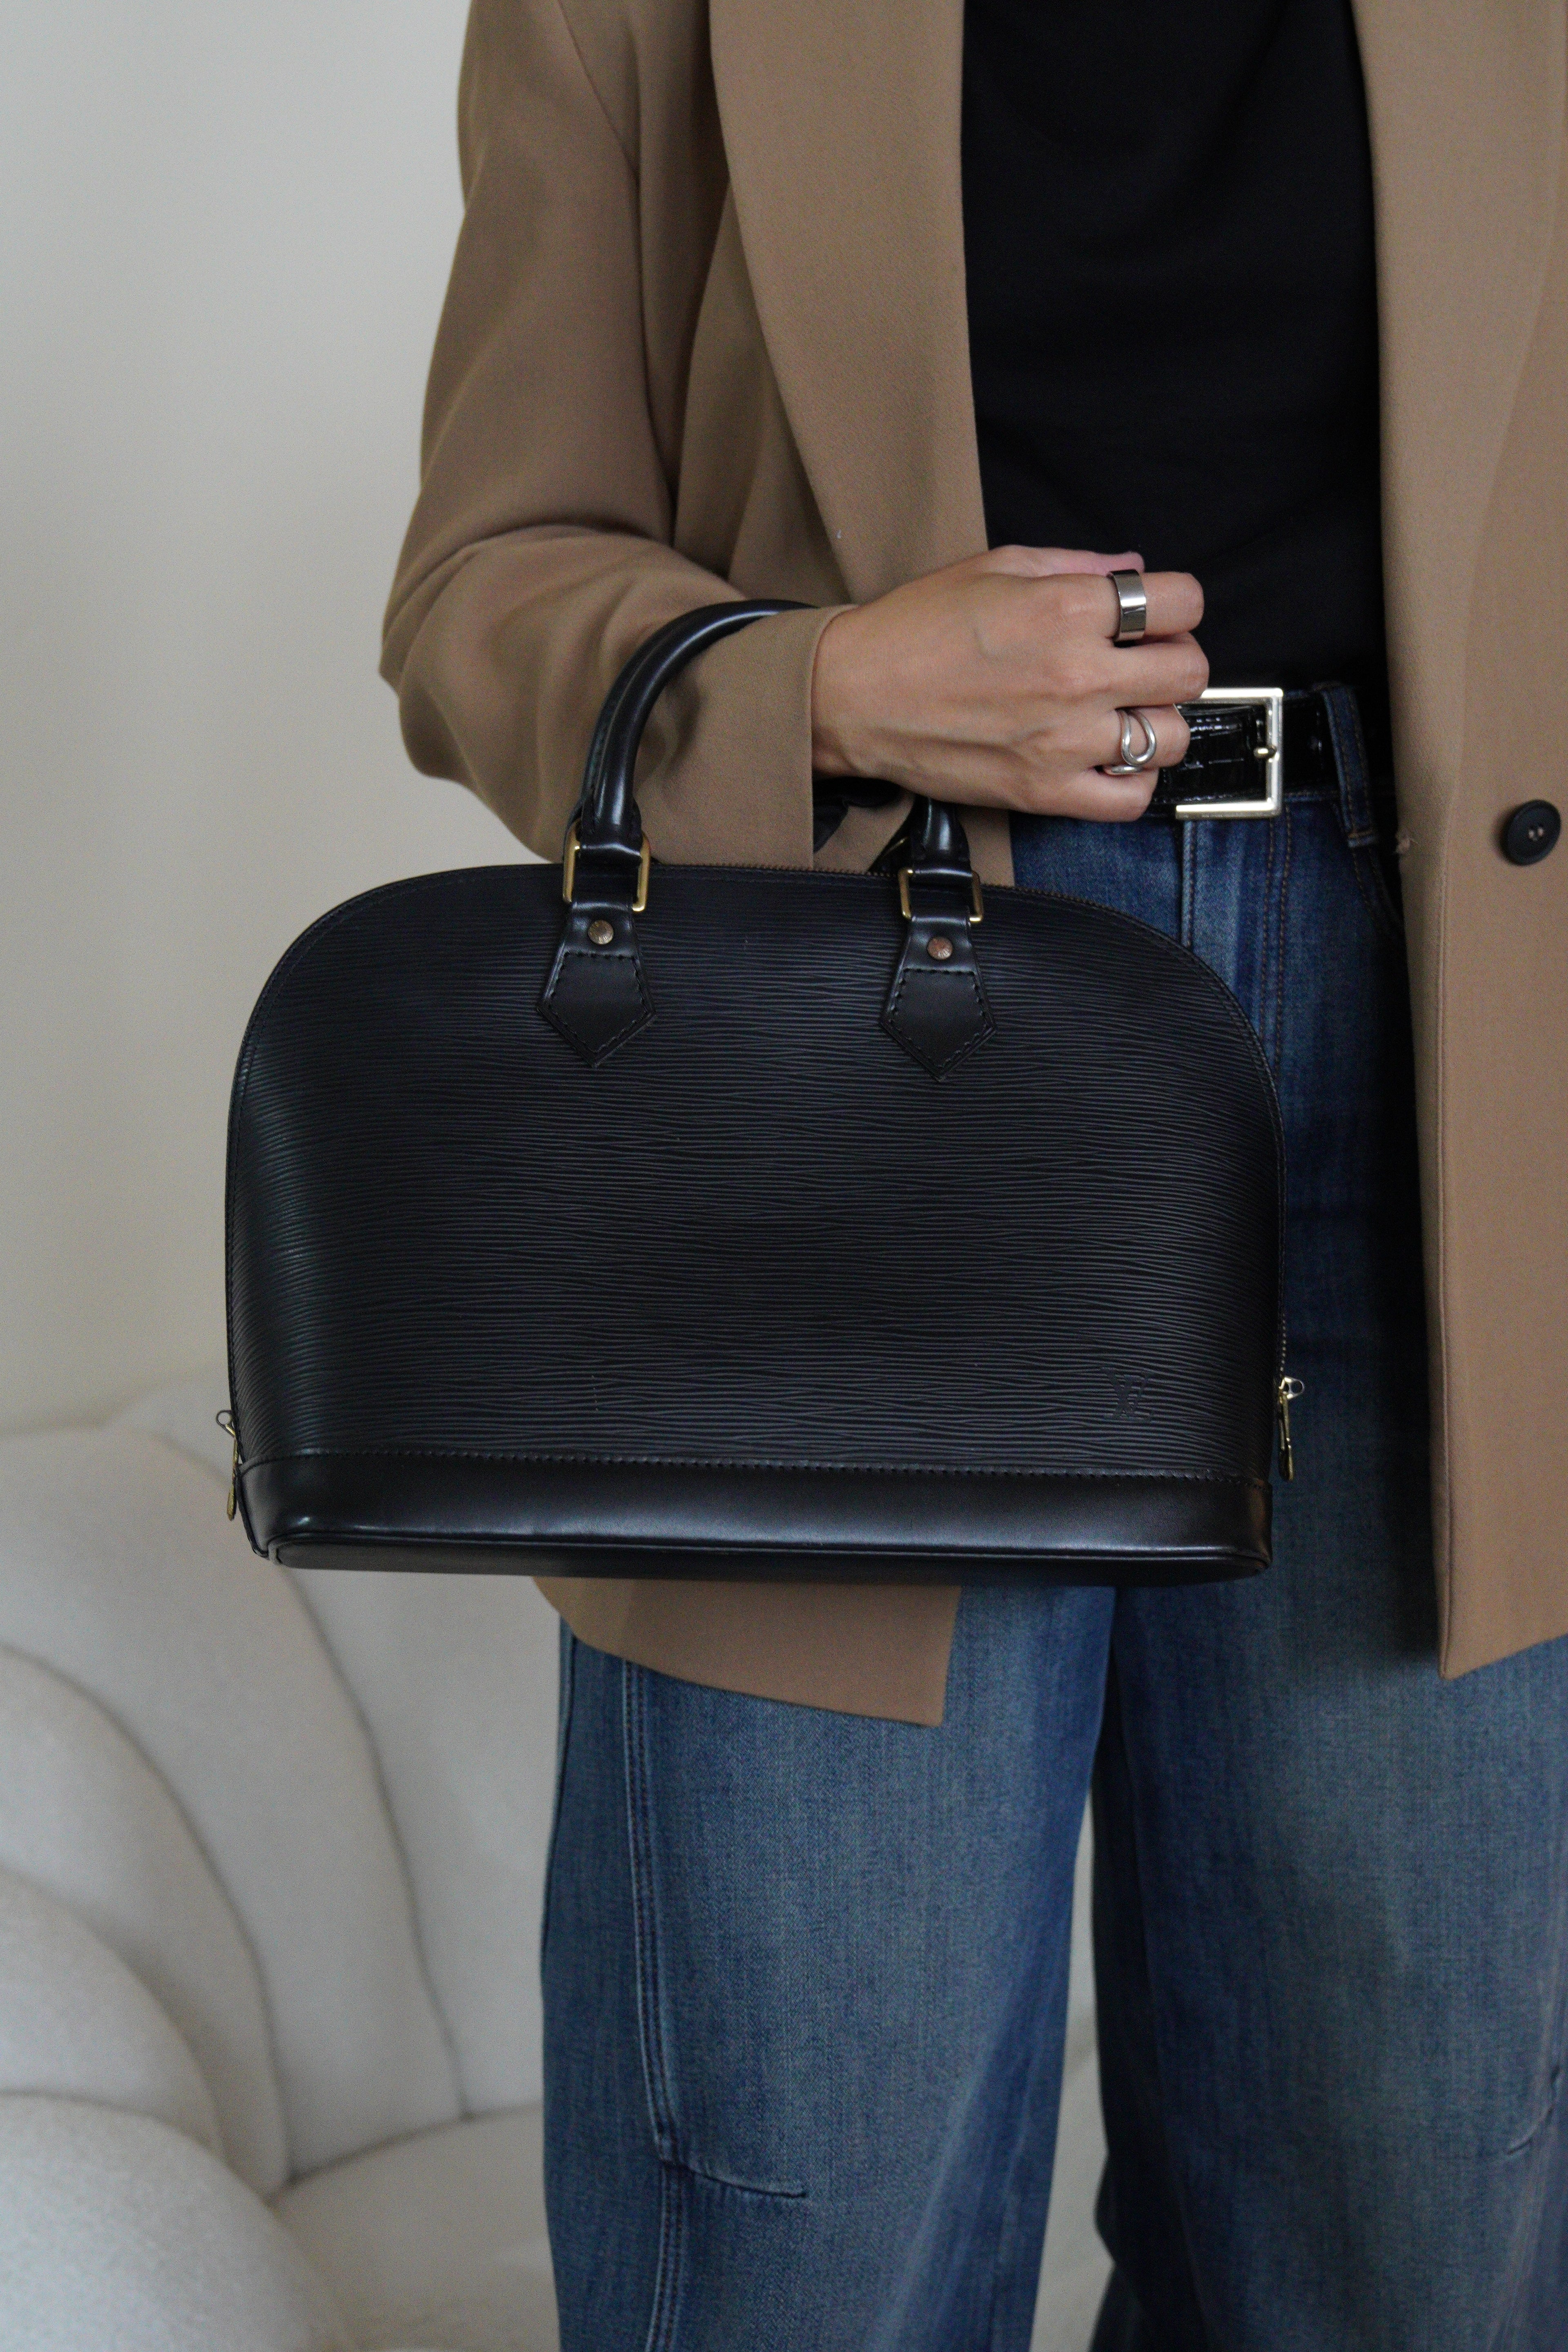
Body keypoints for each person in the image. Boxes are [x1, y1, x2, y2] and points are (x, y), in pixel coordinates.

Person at [382, 1, 1568, 2342]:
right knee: (803, 2237)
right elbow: (478, 586)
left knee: (1419, 2233)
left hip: (1453, 1084)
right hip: (843, 1071)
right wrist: (817, 686)